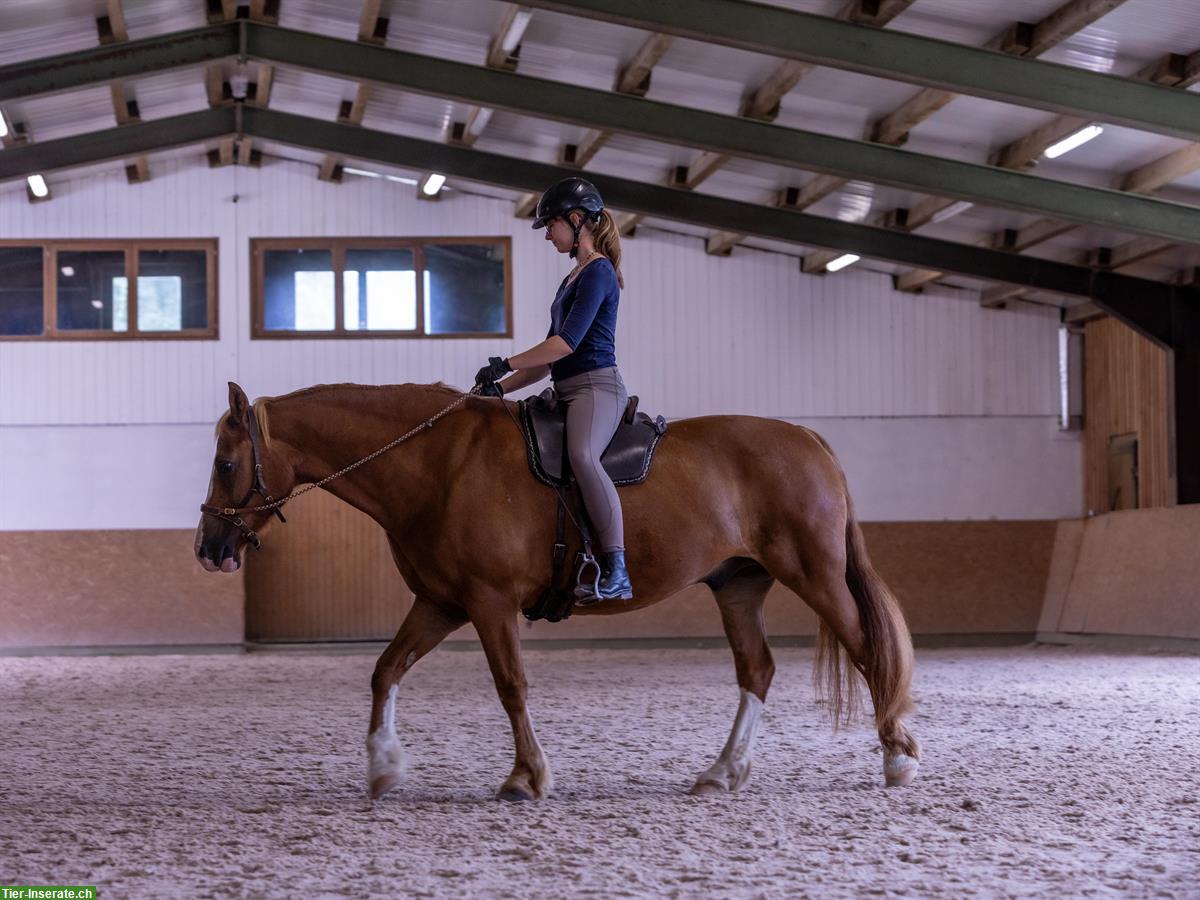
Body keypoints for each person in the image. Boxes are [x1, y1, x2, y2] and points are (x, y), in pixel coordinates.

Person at [474, 176, 633, 603]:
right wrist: (500, 389)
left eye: (550, 225)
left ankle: (617, 568)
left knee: (583, 455)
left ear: (576, 220)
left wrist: (506, 361)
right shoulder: (570, 279)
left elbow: (567, 344)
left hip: (596, 389)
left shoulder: (598, 272)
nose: (547, 234)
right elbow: (548, 362)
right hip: (565, 388)